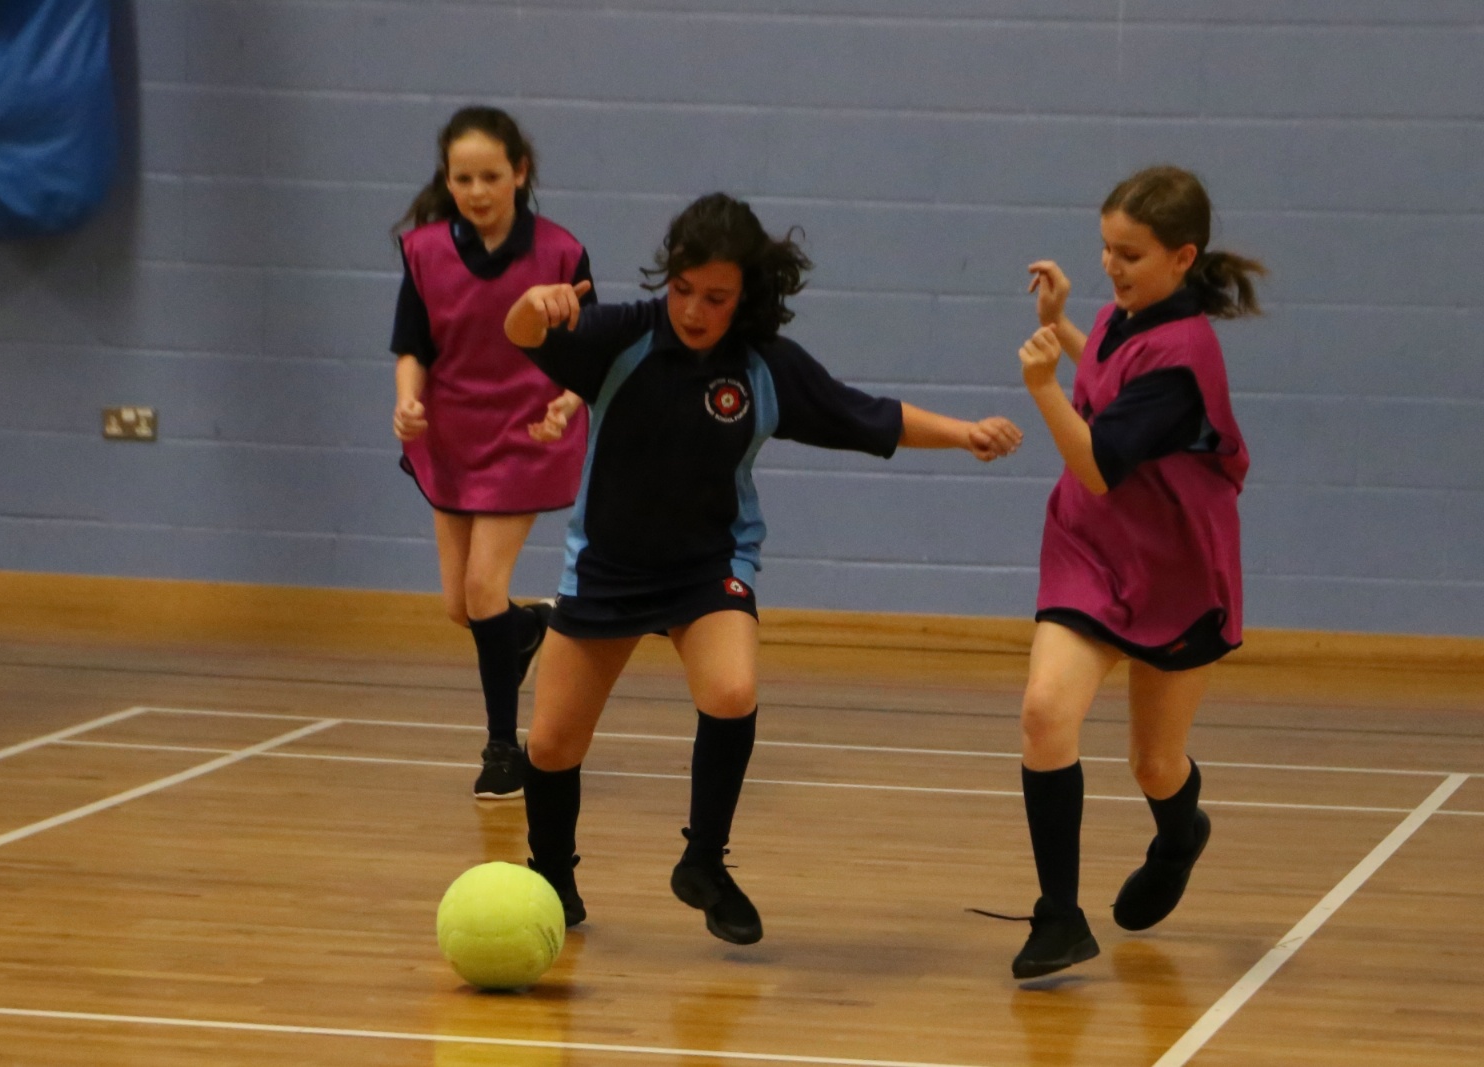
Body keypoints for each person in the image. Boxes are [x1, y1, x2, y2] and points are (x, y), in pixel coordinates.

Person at [503, 192, 1024, 945]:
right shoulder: (621, 336)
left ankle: (703, 863)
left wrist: (964, 431)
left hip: (709, 565)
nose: (693, 310)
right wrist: (532, 305)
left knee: (731, 689)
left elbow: (864, 415)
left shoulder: (764, 368)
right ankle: (554, 878)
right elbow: (523, 335)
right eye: (683, 289)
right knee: (551, 746)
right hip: (607, 567)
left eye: (716, 297)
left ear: (745, 294)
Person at [1005, 165, 1263, 978]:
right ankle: (1059, 915)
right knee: (1046, 712)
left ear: (1183, 258)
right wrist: (1060, 323)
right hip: (1089, 550)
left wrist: (1041, 387)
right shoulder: (1127, 318)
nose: (1112, 266)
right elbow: (1110, 379)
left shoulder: (1185, 360)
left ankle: (1180, 832)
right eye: (1106, 248)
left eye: (1131, 254)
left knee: (1154, 764)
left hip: (1174, 571)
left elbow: (1098, 463)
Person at [390, 106, 595, 800]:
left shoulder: (561, 252)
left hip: (526, 433)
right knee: (463, 606)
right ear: (447, 180)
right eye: (463, 178)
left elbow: (589, 351)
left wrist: (569, 401)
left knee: (483, 589)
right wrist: (407, 401)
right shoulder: (423, 253)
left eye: (490, 176)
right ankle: (529, 627)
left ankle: (504, 748)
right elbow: (412, 345)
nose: (476, 191)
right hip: (451, 435)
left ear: (520, 173)